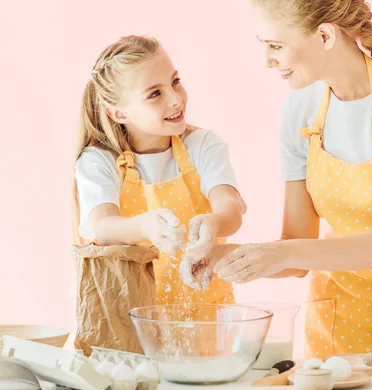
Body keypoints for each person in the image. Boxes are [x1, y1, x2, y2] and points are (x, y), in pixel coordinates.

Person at [214, 0, 372, 358]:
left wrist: (278, 252)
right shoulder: (300, 110)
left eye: (275, 46)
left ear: (324, 35)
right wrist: (215, 256)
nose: (267, 61)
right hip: (337, 325)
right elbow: (294, 248)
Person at [73, 35, 245, 306]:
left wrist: (216, 222)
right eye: (155, 93)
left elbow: (231, 208)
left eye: (175, 82)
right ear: (119, 114)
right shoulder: (100, 161)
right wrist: (145, 225)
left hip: (209, 316)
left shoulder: (202, 145)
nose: (176, 99)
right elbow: (104, 227)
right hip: (135, 319)